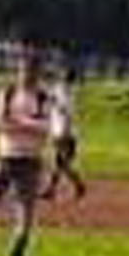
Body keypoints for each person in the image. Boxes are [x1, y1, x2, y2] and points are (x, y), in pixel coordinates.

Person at [0, 51, 53, 256]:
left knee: (25, 206)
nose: (27, 75)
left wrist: (17, 122)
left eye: (32, 71)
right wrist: (24, 124)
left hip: (30, 159)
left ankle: (19, 244)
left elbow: (47, 128)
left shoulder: (43, 98)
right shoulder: (8, 93)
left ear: (39, 73)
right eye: (24, 70)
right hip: (6, 156)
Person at [47, 71, 87, 202]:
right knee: (57, 163)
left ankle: (79, 185)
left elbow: (67, 114)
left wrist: (64, 132)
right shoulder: (59, 91)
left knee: (61, 163)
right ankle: (50, 190)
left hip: (65, 133)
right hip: (58, 131)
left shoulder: (67, 95)